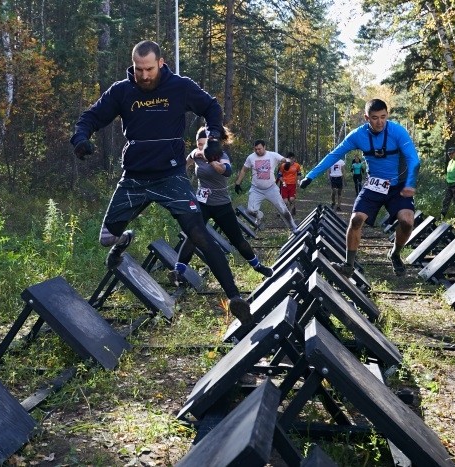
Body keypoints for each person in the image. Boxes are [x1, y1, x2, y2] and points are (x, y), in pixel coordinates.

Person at [70, 40, 252, 323]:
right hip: (135, 177)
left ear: (161, 63)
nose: (144, 76)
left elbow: (211, 107)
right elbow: (91, 117)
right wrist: (81, 138)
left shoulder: (179, 86)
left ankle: (235, 297)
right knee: (106, 238)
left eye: (149, 69)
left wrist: (214, 137)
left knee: (198, 233)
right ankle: (123, 240)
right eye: (139, 69)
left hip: (171, 176)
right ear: (133, 66)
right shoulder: (121, 91)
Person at [298, 98, 420, 277]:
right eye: (375, 118)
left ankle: (395, 254)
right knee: (356, 220)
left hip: (398, 187)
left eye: (383, 117)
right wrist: (310, 176)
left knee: (407, 221)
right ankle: (348, 265)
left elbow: (413, 159)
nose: (380, 122)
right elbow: (335, 154)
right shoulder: (357, 135)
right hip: (374, 185)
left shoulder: (397, 131)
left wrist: (410, 184)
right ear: (366, 118)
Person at [168, 127, 274, 286]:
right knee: (192, 236)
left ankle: (257, 266)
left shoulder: (221, 156)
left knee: (238, 240)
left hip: (222, 205)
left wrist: (210, 160)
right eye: (198, 145)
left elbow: (226, 171)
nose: (201, 148)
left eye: (204, 145)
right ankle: (178, 272)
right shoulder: (196, 154)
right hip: (202, 203)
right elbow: (184, 166)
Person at [233, 140, 298, 234]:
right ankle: (259, 215)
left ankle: (294, 228)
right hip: (256, 189)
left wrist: (288, 162)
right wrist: (238, 183)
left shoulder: (272, 155)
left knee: (283, 210)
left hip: (271, 189)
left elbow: (284, 159)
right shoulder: (251, 157)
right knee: (250, 210)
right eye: (255, 149)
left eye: (259, 149)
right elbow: (244, 170)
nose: (257, 151)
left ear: (264, 147)